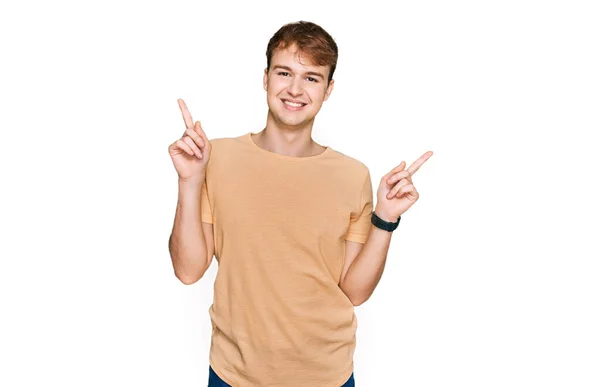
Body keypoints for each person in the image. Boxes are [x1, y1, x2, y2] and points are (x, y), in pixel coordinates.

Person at [168, 20, 433, 387]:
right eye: (284, 72)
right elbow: (188, 270)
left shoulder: (352, 175)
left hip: (327, 375)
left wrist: (385, 218)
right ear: (265, 78)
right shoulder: (218, 158)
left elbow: (354, 291)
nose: (295, 89)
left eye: (311, 77)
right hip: (234, 374)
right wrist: (189, 180)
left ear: (328, 89)